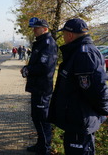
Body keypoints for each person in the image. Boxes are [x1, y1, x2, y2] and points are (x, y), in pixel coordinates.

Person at [48, 18, 108, 155]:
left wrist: (104, 110)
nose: (63, 38)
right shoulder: (80, 51)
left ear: (70, 35)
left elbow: (96, 88)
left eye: (63, 34)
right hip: (76, 118)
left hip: (80, 120)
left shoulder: (84, 54)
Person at [20, 17, 58, 155]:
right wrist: (27, 68)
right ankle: (41, 144)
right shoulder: (41, 43)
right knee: (36, 117)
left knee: (42, 119)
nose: (34, 30)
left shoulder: (48, 44)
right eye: (34, 28)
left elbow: (45, 67)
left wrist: (28, 70)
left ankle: (45, 148)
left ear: (45, 29)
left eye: (37, 28)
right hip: (37, 87)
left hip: (42, 88)